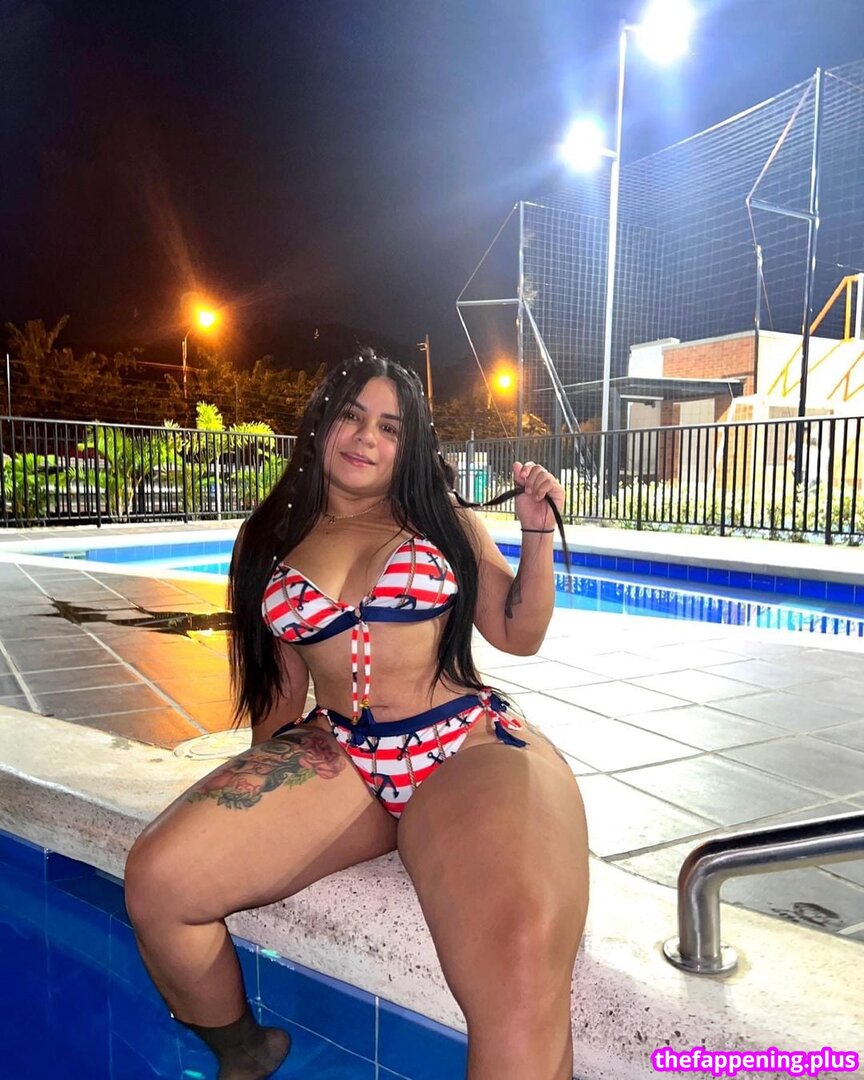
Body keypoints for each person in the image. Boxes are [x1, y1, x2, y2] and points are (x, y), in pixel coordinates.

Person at [124, 352, 589, 1080]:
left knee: (520, 950)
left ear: (408, 445)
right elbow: (279, 698)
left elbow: (517, 631)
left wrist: (536, 535)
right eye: (352, 415)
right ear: (322, 422)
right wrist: (253, 800)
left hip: (464, 749)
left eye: (390, 427)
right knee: (159, 880)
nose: (367, 437)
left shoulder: (442, 519)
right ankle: (242, 1051)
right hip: (342, 753)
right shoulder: (269, 539)